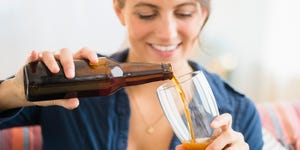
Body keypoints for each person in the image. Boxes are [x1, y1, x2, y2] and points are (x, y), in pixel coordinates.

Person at [0, 0, 263, 149]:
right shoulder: (74, 82)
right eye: (147, 14)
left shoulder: (238, 113)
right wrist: (14, 90)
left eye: (183, 13)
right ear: (119, 10)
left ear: (202, 15)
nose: (167, 33)